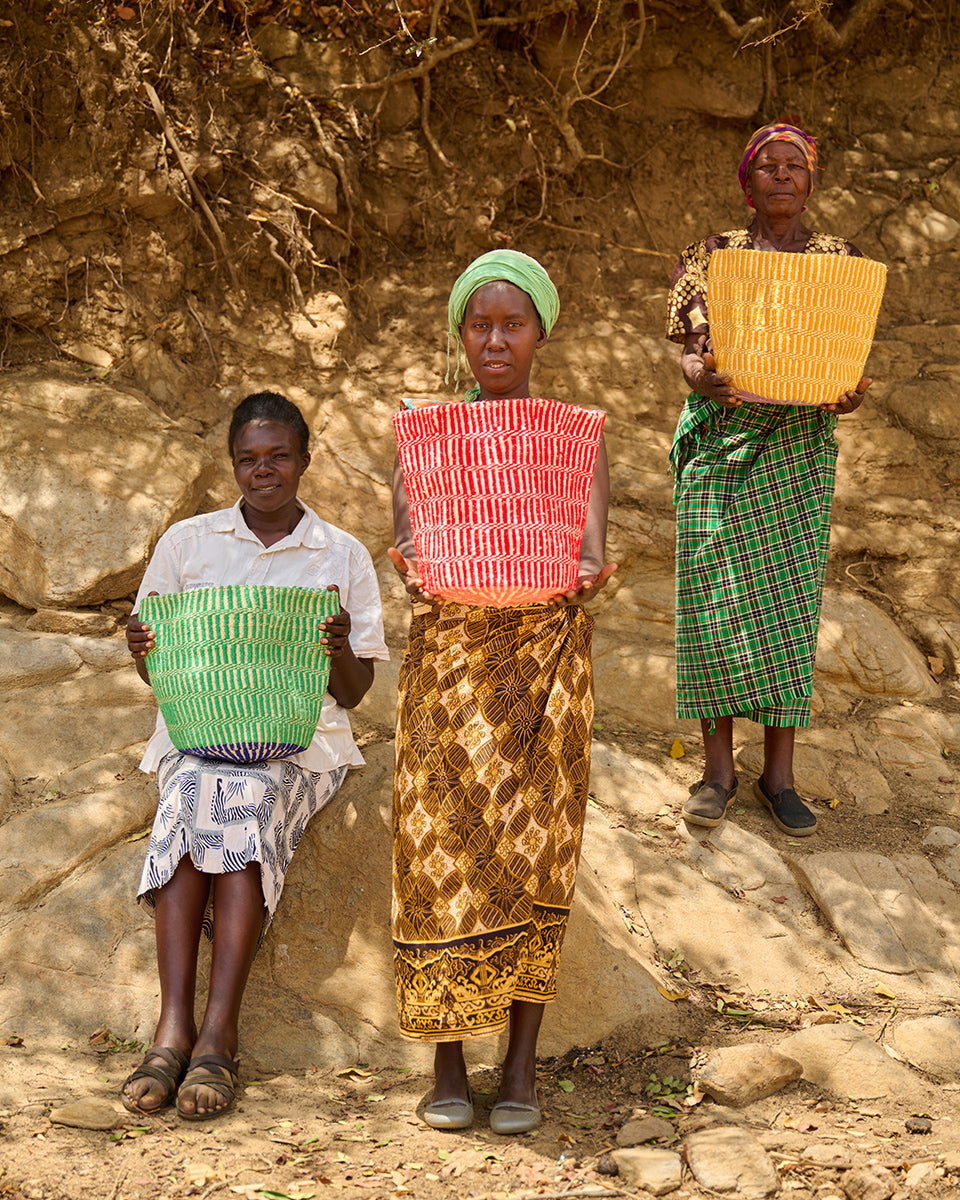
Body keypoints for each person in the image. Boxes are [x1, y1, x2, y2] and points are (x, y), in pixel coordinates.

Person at [388, 249, 616, 1135]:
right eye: (479, 325)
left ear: (539, 334)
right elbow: (412, 544)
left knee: (538, 853)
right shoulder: (424, 434)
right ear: (460, 335)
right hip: (448, 665)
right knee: (436, 852)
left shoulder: (577, 435)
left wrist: (584, 575)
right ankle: (447, 1061)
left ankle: (520, 1064)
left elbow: (589, 552)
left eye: (511, 324)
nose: (494, 340)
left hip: (546, 662)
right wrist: (415, 570)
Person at [121, 391, 388, 1120]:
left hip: (301, 744)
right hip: (200, 731)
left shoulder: (341, 554)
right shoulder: (188, 543)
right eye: (248, 459)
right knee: (188, 801)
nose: (263, 470)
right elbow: (160, 665)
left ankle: (219, 1033)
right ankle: (173, 1030)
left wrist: (337, 647)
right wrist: (141, 649)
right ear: (232, 465)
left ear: (304, 461)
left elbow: (355, 692)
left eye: (278, 457)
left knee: (247, 800)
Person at [666, 122, 874, 836]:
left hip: (797, 449)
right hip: (722, 442)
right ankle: (717, 773)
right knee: (713, 602)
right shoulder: (712, 255)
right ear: (748, 182)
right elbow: (692, 352)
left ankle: (778, 777)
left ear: (810, 183)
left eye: (795, 165)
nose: (782, 174)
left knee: (787, 606)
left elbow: (845, 363)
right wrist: (699, 376)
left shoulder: (839, 263)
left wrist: (846, 395)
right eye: (768, 165)